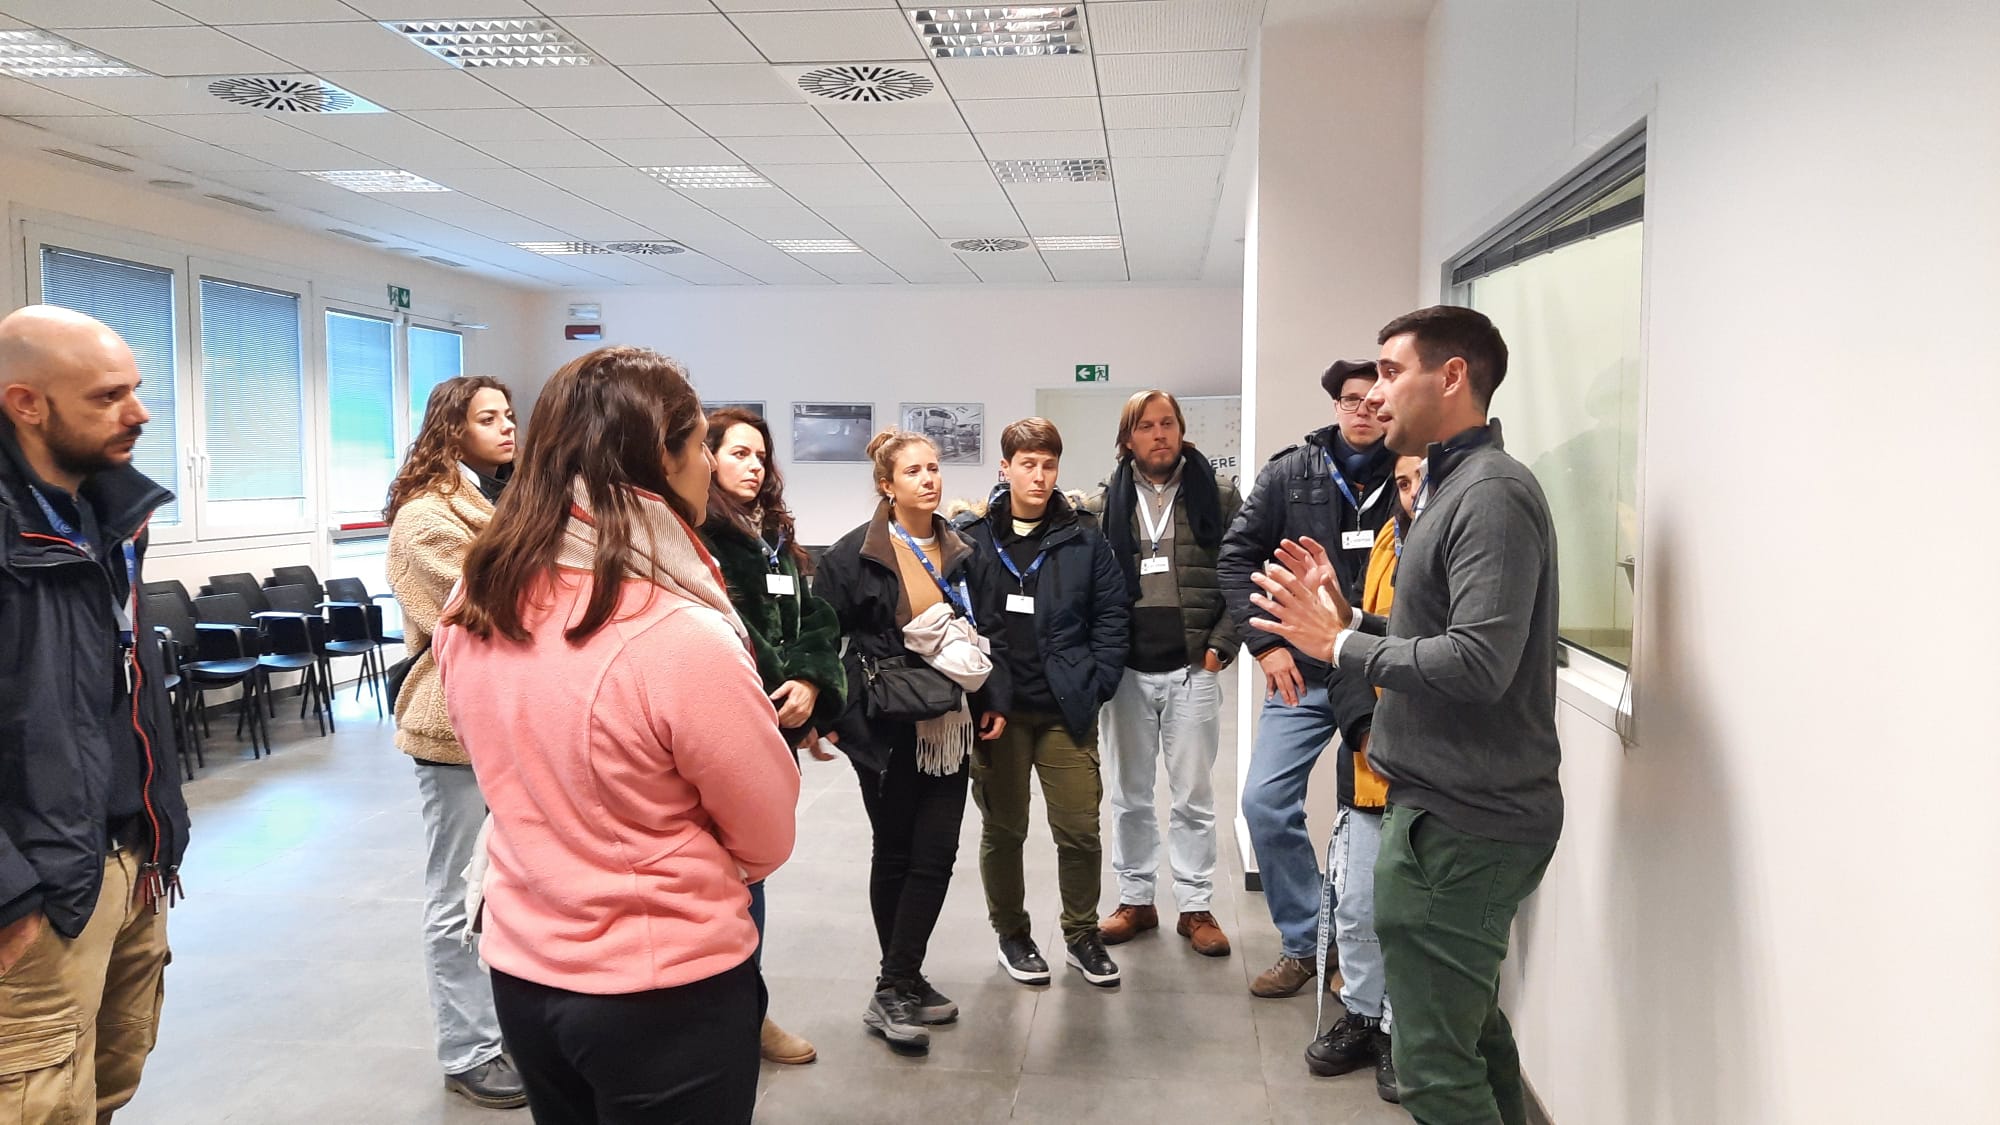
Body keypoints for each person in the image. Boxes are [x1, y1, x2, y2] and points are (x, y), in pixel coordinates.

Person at [434, 346, 799, 1123]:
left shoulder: (475, 599)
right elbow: (767, 834)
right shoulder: (678, 632)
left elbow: (496, 760)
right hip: (661, 990)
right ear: (659, 461)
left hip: (523, 970)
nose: (709, 461)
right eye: (701, 443)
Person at [1248, 306, 1562, 1125]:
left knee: (1433, 1065)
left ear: (1451, 376)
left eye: (1391, 371)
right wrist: (1350, 620)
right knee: (1471, 1035)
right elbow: (1439, 637)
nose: (1375, 392)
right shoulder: (1453, 487)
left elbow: (1477, 664)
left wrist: (1344, 644)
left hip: (1471, 821)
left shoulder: (1491, 495)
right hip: (1438, 811)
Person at [0, 305, 188, 1122]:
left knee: (106, 1083)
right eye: (109, 396)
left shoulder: (110, 517)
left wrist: (160, 830)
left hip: (131, 861)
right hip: (39, 887)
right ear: (26, 402)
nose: (140, 414)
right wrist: (10, 898)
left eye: (136, 391)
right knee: (39, 1099)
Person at [815, 430, 1010, 1054]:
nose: (929, 479)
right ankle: (895, 984)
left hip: (949, 726)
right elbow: (827, 643)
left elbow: (990, 631)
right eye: (914, 471)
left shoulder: (965, 550)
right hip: (889, 730)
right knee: (896, 852)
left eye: (934, 468)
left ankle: (902, 977)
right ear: (886, 484)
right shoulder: (854, 555)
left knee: (936, 854)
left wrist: (991, 698)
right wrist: (838, 712)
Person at [1219, 359, 1398, 998]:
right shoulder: (1290, 473)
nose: (1364, 412)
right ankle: (1305, 943)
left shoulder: (1411, 473)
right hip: (1306, 676)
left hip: (1380, 674)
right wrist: (1266, 645)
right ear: (1335, 406)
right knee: (1264, 803)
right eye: (1351, 401)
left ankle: (1367, 960)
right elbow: (1236, 559)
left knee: (1372, 817)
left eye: (1375, 401)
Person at [384, 375, 526, 1110]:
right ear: (451, 427)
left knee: (505, 890)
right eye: (488, 417)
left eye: (509, 415)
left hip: (514, 723)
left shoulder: (502, 495)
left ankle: (503, 1033)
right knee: (455, 897)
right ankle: (467, 1050)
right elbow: (492, 606)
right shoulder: (424, 516)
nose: (507, 427)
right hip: (454, 727)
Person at [955, 418, 1128, 988]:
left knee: (1079, 828)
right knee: (1004, 829)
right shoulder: (974, 538)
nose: (1039, 475)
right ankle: (1013, 933)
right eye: (1027, 464)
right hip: (998, 710)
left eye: (1048, 465)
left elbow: (1111, 614)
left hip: (1065, 708)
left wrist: (1097, 680)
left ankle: (1082, 934)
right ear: (1004, 469)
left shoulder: (1084, 537)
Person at [697, 406, 845, 1066]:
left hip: (777, 728)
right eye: (738, 454)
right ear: (707, 457)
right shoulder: (697, 536)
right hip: (727, 724)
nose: (754, 466)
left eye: (760, 455)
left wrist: (812, 682)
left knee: (752, 873)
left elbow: (816, 618)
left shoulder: (774, 536)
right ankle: (728, 1017)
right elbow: (733, 631)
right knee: (723, 880)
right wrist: (788, 681)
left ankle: (745, 1012)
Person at [1085, 390, 1241, 957]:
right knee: (1129, 796)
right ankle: (1136, 900)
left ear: (1181, 430)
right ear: (1129, 438)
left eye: (1168, 424)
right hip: (1127, 670)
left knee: (1194, 797)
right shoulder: (1107, 503)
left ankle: (1196, 906)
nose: (1159, 435)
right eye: (1147, 426)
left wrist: (1221, 647)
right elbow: (1093, 587)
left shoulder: (1219, 495)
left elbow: (1241, 575)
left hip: (1193, 667)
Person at [1304, 451, 1424, 1103]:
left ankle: (1398, 1036)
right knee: (1354, 905)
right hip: (1367, 766)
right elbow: (1343, 652)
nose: (1411, 492)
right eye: (1403, 481)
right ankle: (1363, 1013)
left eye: (1422, 479)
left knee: (1404, 916)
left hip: (1425, 776)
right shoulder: (1380, 543)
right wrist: (1363, 729)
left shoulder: (1448, 553)